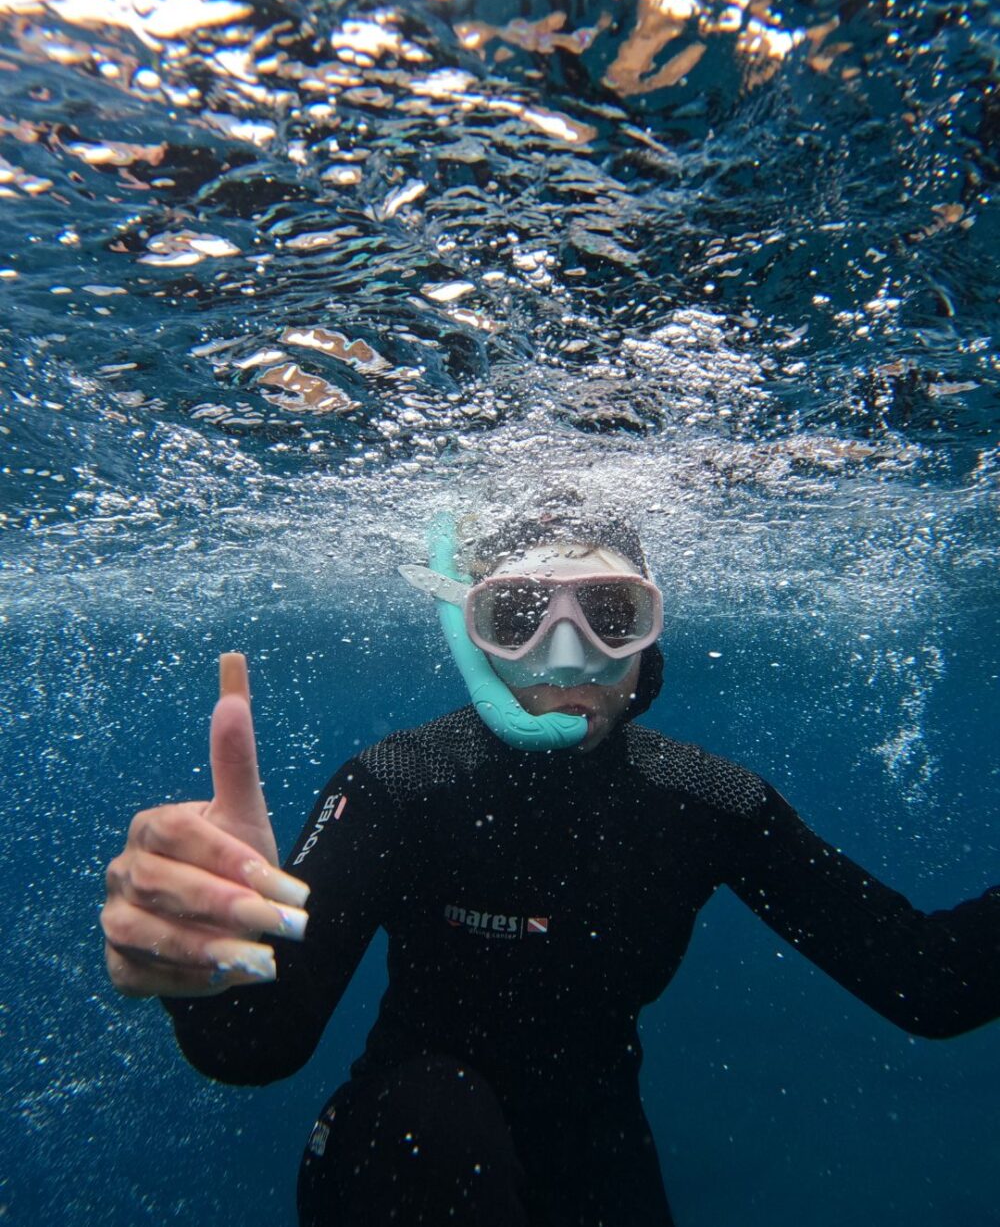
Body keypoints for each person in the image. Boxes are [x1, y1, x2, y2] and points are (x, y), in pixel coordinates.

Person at [102, 493, 1000, 1227]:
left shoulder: (711, 803)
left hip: (593, 1149)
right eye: (521, 616)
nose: (567, 655)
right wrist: (209, 959)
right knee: (438, 1120)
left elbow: (929, 981)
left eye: (609, 615)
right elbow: (257, 1048)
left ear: (649, 634)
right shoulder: (401, 784)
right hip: (397, 1146)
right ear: (472, 632)